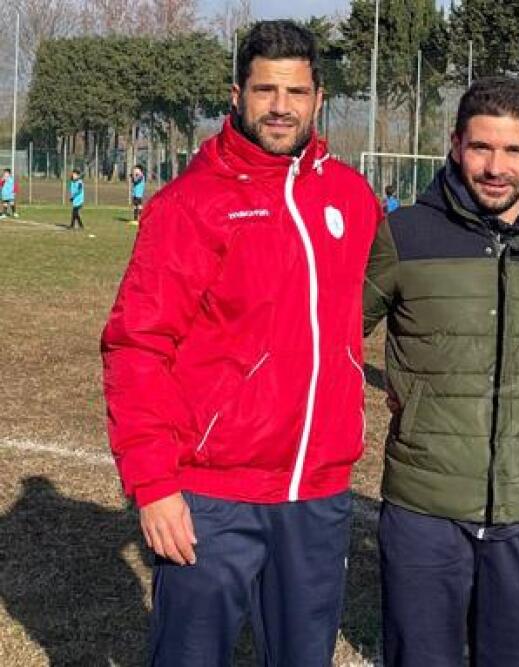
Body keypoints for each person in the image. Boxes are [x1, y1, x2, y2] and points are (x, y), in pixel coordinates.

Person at [100, 20, 381, 666]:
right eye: (265, 90)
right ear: (237, 95)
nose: (280, 106)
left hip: (317, 495)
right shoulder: (191, 204)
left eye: (295, 91)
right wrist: (155, 485)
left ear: (318, 98)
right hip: (213, 497)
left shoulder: (351, 197)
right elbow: (136, 345)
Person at [362, 75, 519, 667]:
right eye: (481, 148)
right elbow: (330, 336)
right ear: (454, 144)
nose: (496, 167)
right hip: (424, 510)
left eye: (514, 150)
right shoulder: (405, 235)